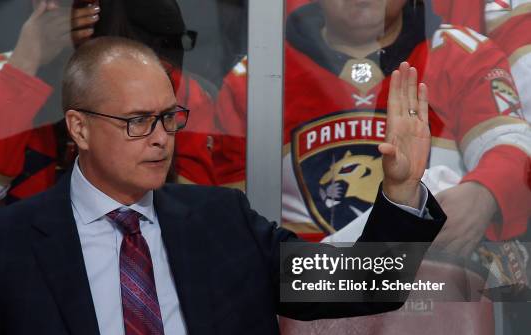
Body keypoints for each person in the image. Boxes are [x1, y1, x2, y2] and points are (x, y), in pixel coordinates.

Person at [0, 37, 445, 335]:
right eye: (137, 121)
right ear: (79, 128)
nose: (161, 138)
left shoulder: (223, 224)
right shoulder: (1, 249)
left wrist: (400, 189)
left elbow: (361, 285)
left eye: (170, 117)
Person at [214, 0, 531, 256]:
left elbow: (511, 142)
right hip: (305, 304)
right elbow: (230, 224)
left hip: (434, 295)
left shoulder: (462, 54)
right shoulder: (254, 80)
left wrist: (486, 192)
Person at [0, 0, 216, 211]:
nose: (54, 8)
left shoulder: (168, 89)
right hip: (33, 261)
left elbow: (192, 212)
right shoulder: (2, 78)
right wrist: (27, 61)